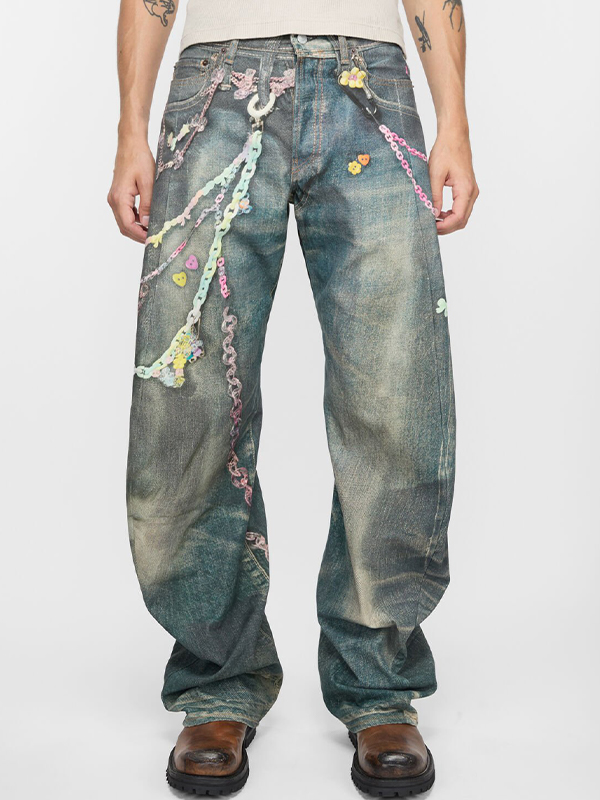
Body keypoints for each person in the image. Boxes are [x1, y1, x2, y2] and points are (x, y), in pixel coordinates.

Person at [108, 0, 478, 795]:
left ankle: (380, 684)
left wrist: (455, 121)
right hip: (214, 90)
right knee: (189, 406)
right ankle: (217, 678)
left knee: (395, 395)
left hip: (371, 84)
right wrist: (130, 128)